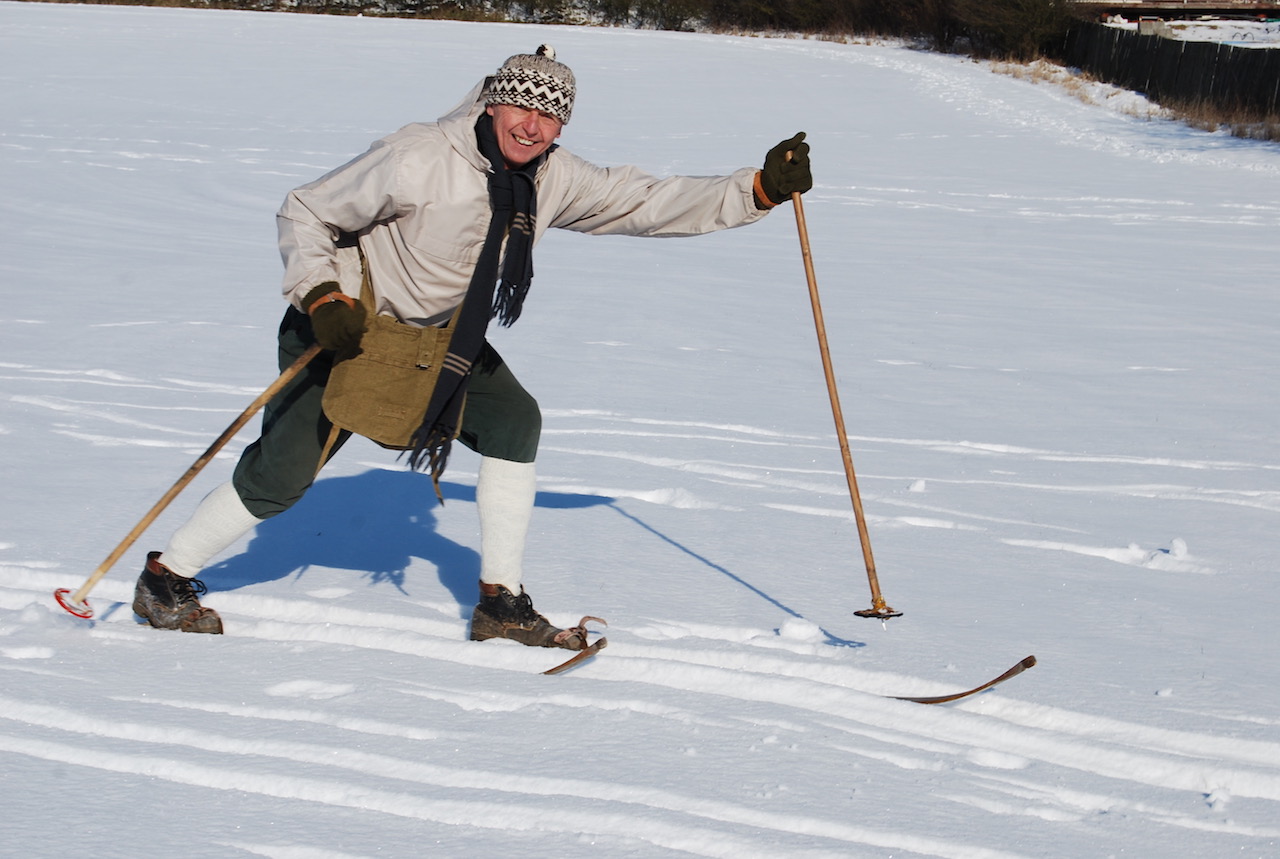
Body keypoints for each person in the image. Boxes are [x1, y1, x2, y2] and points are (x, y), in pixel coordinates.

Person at [132, 45, 813, 648]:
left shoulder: (552, 177)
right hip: (349, 328)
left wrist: (754, 189)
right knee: (281, 476)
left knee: (515, 420)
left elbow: (646, 202)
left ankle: (500, 604)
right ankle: (166, 579)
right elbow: (308, 209)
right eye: (520, 106)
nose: (531, 125)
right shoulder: (419, 156)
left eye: (549, 116)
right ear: (492, 104)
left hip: (440, 346)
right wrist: (322, 295)